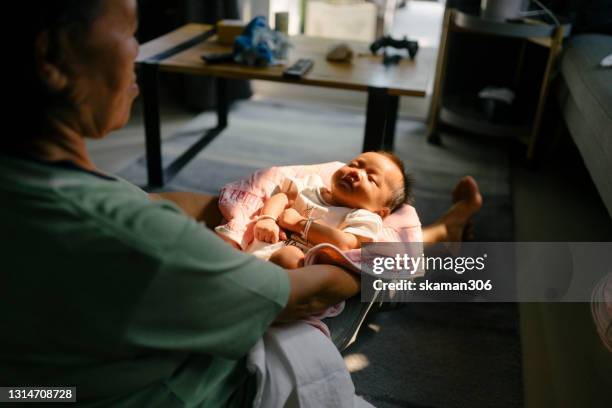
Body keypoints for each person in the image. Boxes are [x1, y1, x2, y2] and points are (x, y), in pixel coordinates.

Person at [0, 0, 481, 406]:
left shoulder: (44, 186)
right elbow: (306, 295)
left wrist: (264, 212)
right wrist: (348, 260)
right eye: (130, 30)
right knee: (381, 272)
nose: (139, 49)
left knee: (385, 242)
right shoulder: (141, 238)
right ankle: (438, 237)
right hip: (177, 376)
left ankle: (439, 233)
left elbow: (171, 204)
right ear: (52, 59)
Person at [249, 151, 411, 268]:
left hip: (297, 266)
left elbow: (346, 243)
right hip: (257, 251)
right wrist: (267, 218)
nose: (356, 172)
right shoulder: (311, 186)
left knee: (289, 256)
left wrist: (300, 224)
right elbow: (283, 197)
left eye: (371, 178)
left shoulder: (364, 217)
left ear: (380, 212)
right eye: (353, 165)